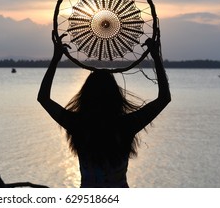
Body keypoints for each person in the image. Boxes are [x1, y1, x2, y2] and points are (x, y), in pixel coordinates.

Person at [37, 31, 171, 188]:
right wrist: (155, 57)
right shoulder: (126, 125)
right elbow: (164, 98)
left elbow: (43, 98)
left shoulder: (78, 124)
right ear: (115, 96)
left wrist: (56, 59)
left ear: (86, 96)